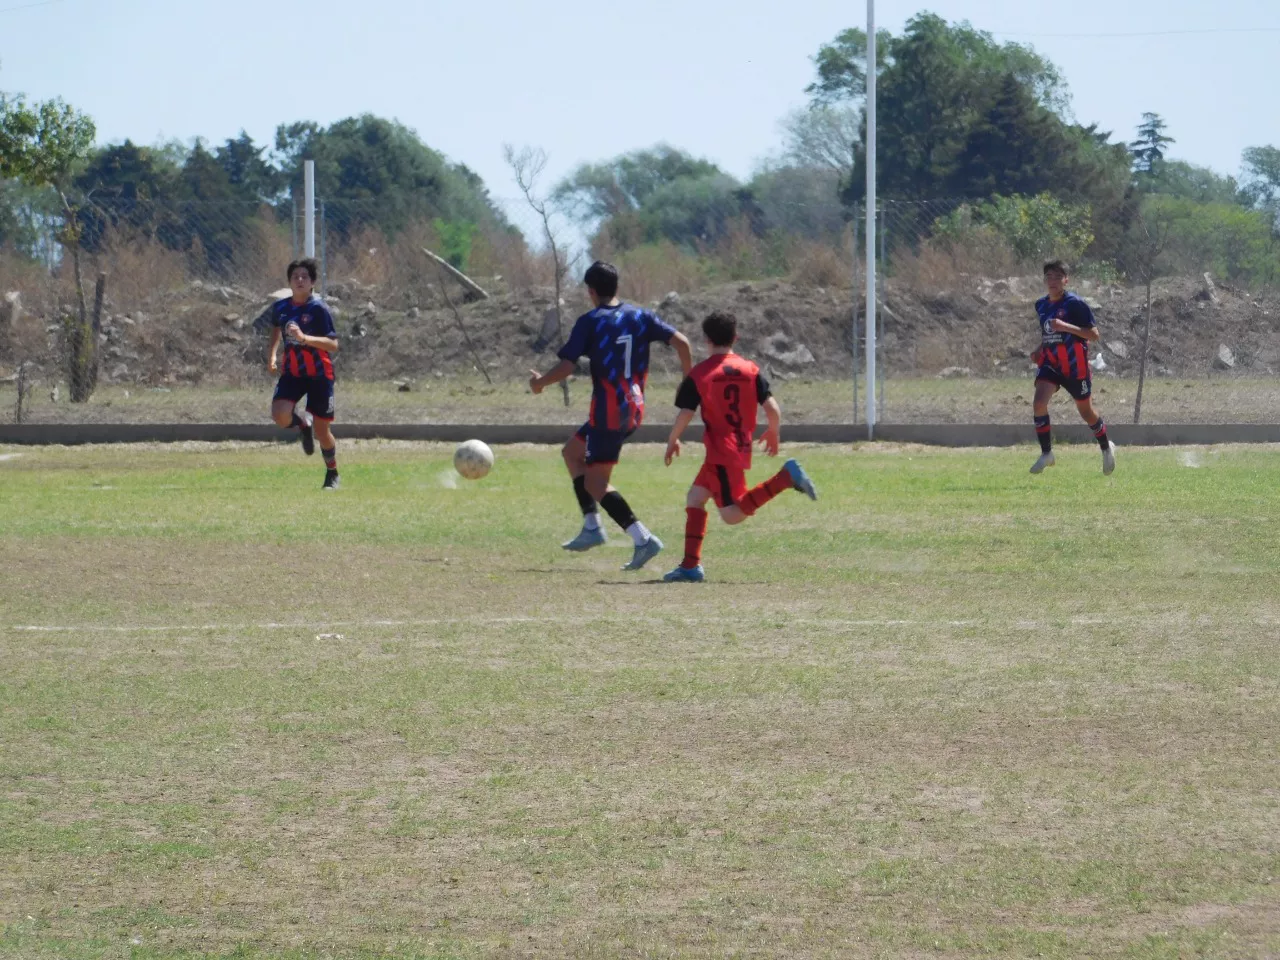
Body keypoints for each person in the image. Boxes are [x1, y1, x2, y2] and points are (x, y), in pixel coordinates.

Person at [530, 260, 693, 571]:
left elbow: (567, 366)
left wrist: (539, 383)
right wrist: (687, 383)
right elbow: (682, 343)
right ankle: (592, 527)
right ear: (616, 287)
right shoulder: (641, 316)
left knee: (596, 483)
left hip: (609, 411)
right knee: (572, 453)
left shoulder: (590, 322)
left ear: (591, 291)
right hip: (633, 406)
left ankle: (643, 539)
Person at [661, 311, 817, 583]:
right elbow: (772, 408)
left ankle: (785, 478)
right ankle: (689, 566)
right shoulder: (750, 370)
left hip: (722, 451)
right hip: (736, 447)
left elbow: (686, 412)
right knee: (695, 498)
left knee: (732, 515)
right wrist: (773, 431)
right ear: (736, 337)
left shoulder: (700, 374)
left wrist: (673, 439)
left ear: (707, 340)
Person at [1029, 260, 1116, 476]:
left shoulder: (1075, 304)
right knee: (1039, 403)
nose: (1053, 281)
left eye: (1058, 277)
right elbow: (1050, 334)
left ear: (1066, 280)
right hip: (1051, 364)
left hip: (1075, 367)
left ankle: (1106, 446)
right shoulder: (1041, 305)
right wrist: (1039, 349)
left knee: (1086, 413)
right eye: (1049, 276)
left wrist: (1065, 326)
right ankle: (1047, 453)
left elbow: (1093, 335)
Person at [267, 258, 341, 490]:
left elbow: (333, 344)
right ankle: (302, 424)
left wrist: (304, 338)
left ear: (312, 283)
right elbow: (276, 328)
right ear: (289, 282)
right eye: (295, 276)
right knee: (280, 415)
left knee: (322, 431)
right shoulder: (281, 307)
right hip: (293, 373)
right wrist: (272, 354)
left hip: (319, 375)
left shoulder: (318, 309)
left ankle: (332, 473)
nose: (299, 280)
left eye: (304, 277)